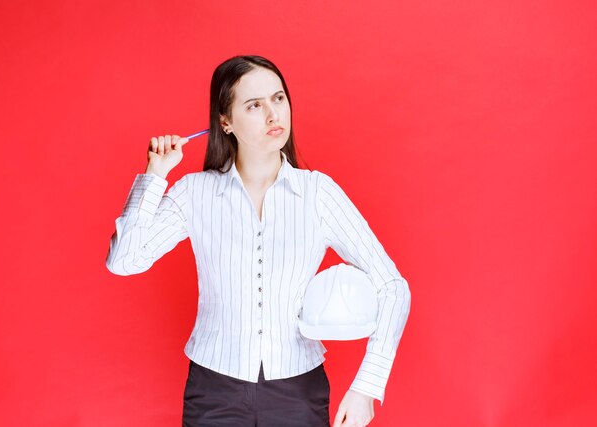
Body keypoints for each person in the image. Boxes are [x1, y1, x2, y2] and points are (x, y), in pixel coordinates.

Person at [105, 55, 411, 427]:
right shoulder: (194, 193)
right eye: (254, 105)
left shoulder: (318, 193)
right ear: (225, 121)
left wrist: (367, 386)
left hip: (298, 393)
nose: (273, 115)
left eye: (278, 99)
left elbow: (393, 286)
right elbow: (124, 262)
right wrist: (154, 176)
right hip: (213, 392)